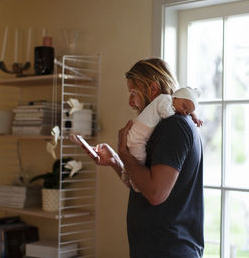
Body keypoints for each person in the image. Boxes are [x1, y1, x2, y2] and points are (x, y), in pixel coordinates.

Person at [70, 58, 204, 258]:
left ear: (152, 89)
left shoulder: (174, 127)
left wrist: (124, 153)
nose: (130, 101)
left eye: (133, 92)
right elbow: (142, 184)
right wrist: (116, 161)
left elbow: (155, 193)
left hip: (170, 251)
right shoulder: (161, 126)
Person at [123, 86, 203, 192]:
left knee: (135, 160)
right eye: (184, 107)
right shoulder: (164, 100)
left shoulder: (176, 105)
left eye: (187, 112)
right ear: (175, 97)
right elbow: (166, 113)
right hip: (136, 139)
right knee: (139, 161)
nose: (184, 113)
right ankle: (135, 184)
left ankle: (126, 172)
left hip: (138, 136)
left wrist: (194, 115)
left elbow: (185, 103)